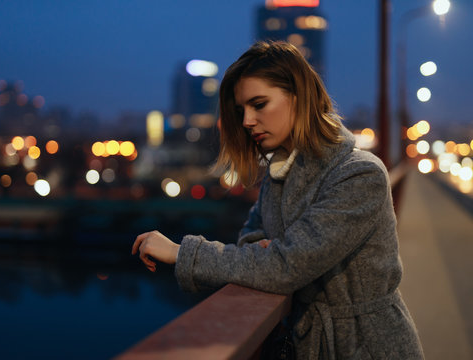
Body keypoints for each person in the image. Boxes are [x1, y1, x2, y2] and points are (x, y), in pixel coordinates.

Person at [132, 41, 424, 359]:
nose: (246, 121)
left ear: (298, 98)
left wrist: (181, 252)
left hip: (367, 345)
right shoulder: (279, 173)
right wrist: (274, 255)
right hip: (309, 342)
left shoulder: (359, 175)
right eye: (241, 110)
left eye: (259, 104)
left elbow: (285, 266)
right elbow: (252, 239)